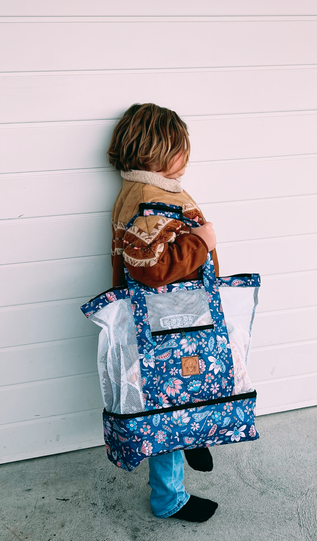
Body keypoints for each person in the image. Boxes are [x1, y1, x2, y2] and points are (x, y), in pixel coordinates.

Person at [107, 103, 219, 522]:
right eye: (181, 148)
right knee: (166, 404)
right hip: (163, 323)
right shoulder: (151, 197)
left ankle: (190, 430)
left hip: (174, 319)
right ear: (160, 150)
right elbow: (151, 268)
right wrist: (203, 242)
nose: (186, 157)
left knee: (188, 382)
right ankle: (168, 498)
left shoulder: (151, 190)